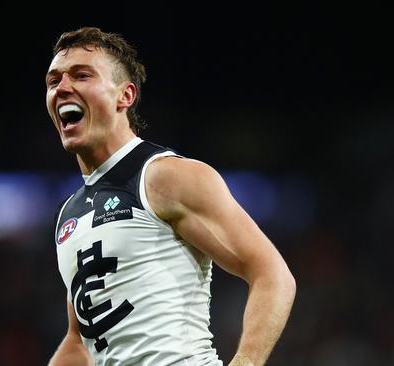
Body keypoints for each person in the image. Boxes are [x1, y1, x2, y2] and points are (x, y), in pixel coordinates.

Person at [45, 27, 295, 366]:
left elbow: (271, 273)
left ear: (125, 96)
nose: (63, 88)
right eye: (53, 80)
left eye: (81, 75)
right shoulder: (68, 215)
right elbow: (80, 340)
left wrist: (246, 361)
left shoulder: (166, 176)